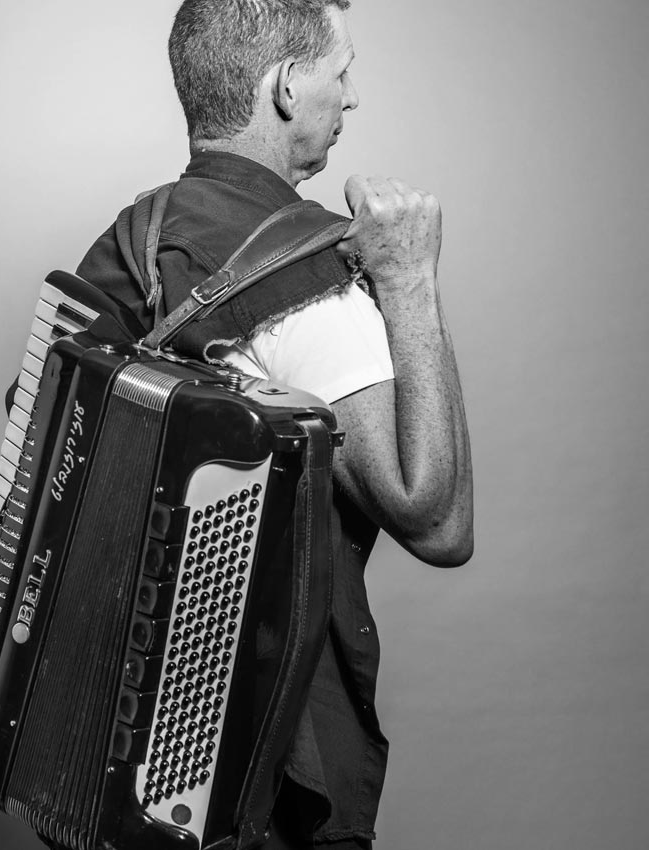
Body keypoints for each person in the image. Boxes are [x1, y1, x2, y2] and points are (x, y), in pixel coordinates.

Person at [72, 1, 474, 848]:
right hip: (263, 767)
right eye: (342, 71)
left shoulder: (129, 240)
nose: (351, 96)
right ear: (288, 86)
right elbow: (437, 522)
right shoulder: (308, 278)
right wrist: (410, 278)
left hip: (98, 732)